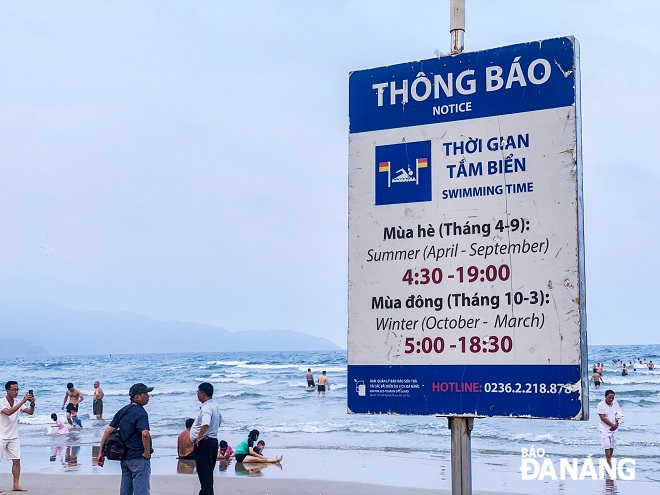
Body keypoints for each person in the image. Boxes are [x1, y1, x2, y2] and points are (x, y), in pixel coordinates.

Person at [97, 383, 154, 495]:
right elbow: (145, 434)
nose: (148, 396)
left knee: (125, 492)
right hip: (139, 457)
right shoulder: (141, 413)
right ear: (137, 397)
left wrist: (100, 452)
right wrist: (147, 452)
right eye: (145, 393)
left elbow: (108, 431)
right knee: (141, 492)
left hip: (125, 458)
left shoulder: (123, 411)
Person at [0, 381, 35, 492]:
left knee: (16, 460)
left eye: (17, 389)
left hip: (13, 435)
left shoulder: (17, 402)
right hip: (1, 435)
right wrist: (23, 401)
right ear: (7, 390)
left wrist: (32, 404)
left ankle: (16, 484)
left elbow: (30, 412)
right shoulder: (1, 402)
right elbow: (9, 412)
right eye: (14, 389)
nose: (16, 391)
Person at [190, 382, 221, 495]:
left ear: (203, 394)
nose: (197, 394)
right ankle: (204, 492)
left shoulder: (207, 407)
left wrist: (199, 437)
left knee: (204, 473)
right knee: (207, 472)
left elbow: (206, 423)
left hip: (205, 443)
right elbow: (219, 421)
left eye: (198, 392)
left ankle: (206, 492)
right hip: (212, 441)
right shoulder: (215, 405)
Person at [597, 389, 623, 467]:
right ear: (605, 397)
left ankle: (609, 459)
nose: (611, 399)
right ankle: (607, 460)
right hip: (605, 427)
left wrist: (616, 424)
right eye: (609, 398)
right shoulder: (600, 405)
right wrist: (612, 425)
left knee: (612, 444)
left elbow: (619, 414)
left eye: (612, 398)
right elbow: (603, 418)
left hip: (614, 426)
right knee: (606, 444)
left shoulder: (615, 404)